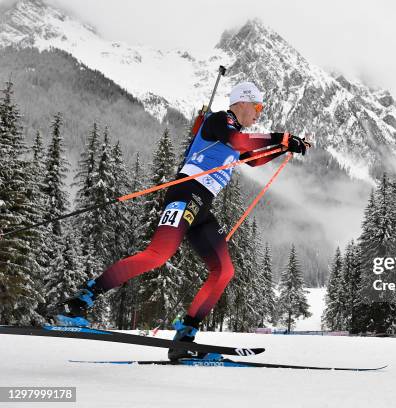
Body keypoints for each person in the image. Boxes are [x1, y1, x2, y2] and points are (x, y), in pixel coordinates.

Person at [54, 81, 311, 360]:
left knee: (223, 271)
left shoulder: (236, 132)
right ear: (243, 102)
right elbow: (238, 142)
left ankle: (185, 337)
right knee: (157, 255)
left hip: (203, 205)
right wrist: (281, 137)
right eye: (258, 107)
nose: (259, 114)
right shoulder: (219, 120)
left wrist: (286, 148)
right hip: (186, 193)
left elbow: (252, 159)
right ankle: (79, 302)